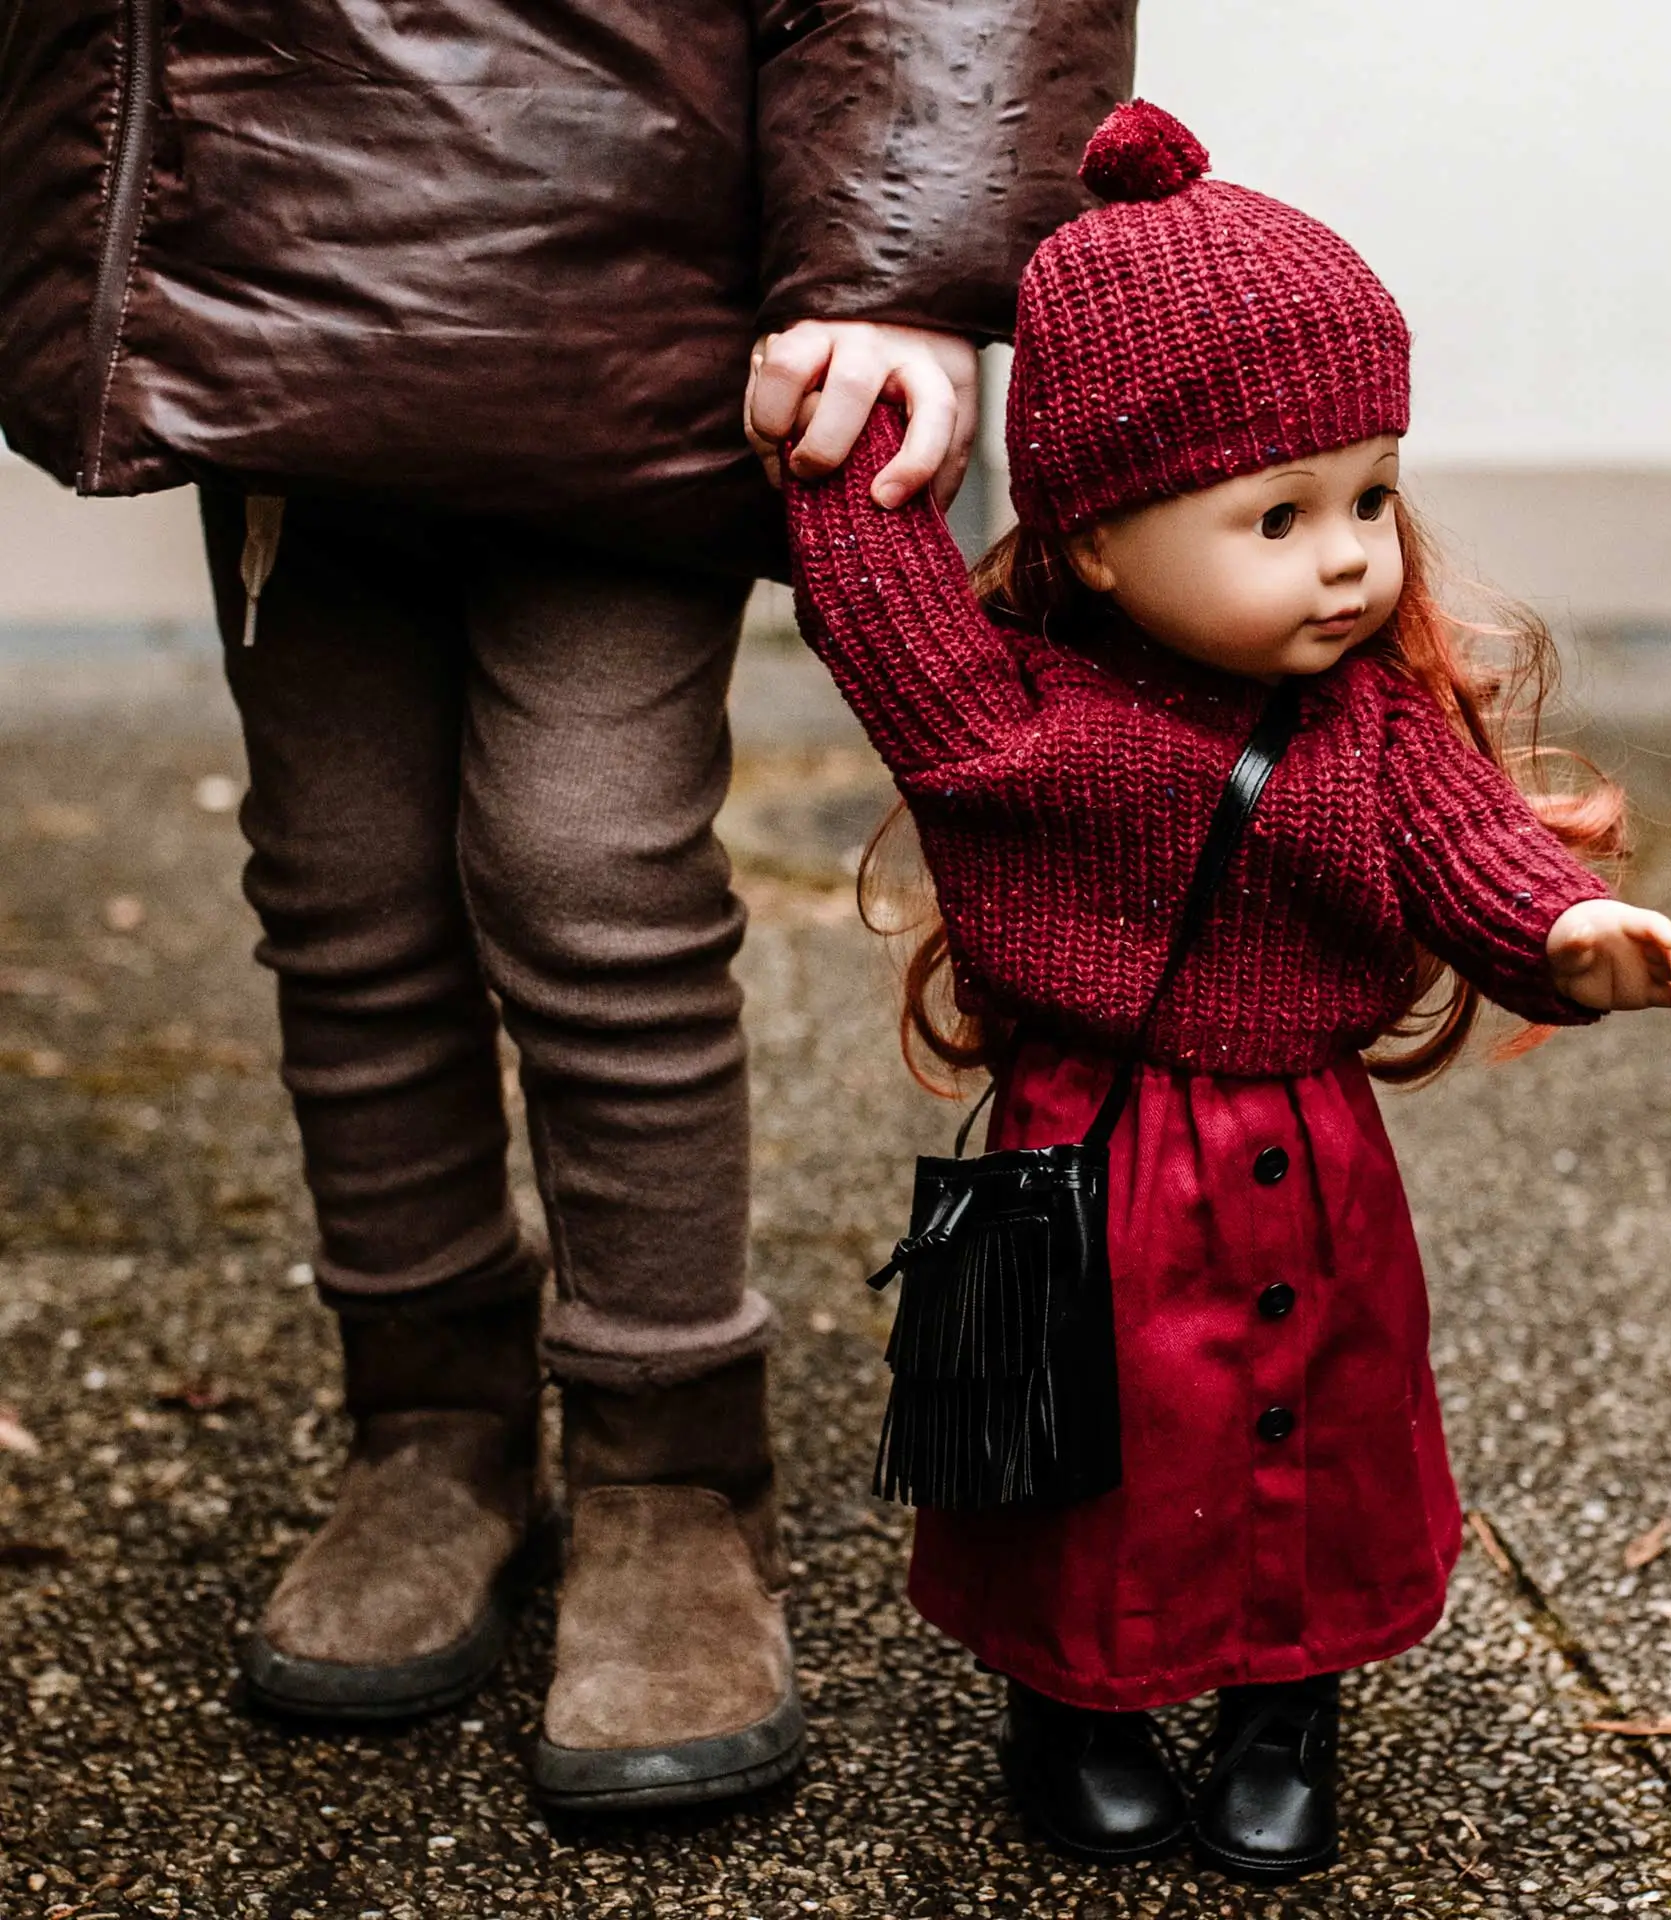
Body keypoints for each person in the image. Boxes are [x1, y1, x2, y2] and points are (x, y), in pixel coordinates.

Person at [0, 0, 1136, 1808]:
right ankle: (429, 1425)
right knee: (344, 885)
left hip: (623, 271)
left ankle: (674, 1462)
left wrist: (902, 251)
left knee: (588, 875)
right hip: (268, 249)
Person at [780, 100, 1671, 1880]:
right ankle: (1079, 1699)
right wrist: (850, 420)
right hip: (1100, 1146)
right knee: (1098, 1441)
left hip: (1308, 1149)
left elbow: (1470, 851)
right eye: (1276, 516)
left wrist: (1569, 936)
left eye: (1369, 495)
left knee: (1321, 1423)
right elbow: (876, 596)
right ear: (1103, 538)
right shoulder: (1018, 722)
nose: (1351, 552)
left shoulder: (1369, 723)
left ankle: (1290, 1699)